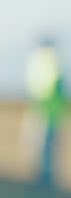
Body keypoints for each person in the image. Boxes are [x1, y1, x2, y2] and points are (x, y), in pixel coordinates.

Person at [26, 36, 65, 189]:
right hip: (50, 112)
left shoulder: (36, 60)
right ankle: (45, 180)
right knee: (47, 148)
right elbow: (56, 88)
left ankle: (40, 177)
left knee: (39, 146)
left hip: (39, 109)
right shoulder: (52, 60)